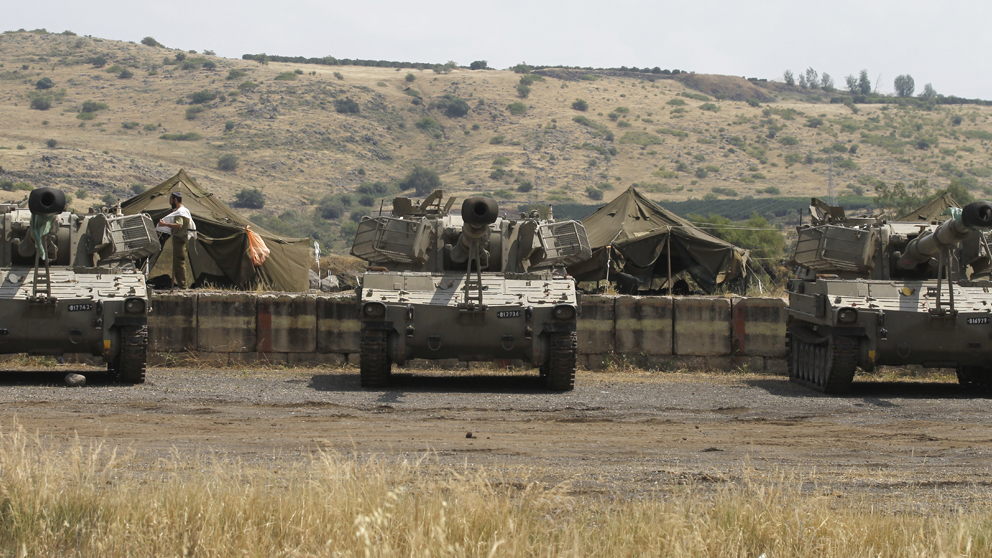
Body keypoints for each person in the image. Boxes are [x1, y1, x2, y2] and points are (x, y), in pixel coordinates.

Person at [155, 192, 196, 289]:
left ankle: (182, 285)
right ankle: (181, 284)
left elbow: (179, 225)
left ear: (175, 200)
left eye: (170, 200)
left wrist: (165, 224)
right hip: (181, 239)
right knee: (178, 262)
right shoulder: (183, 210)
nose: (170, 202)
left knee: (179, 263)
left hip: (179, 239)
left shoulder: (180, 212)